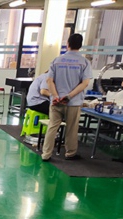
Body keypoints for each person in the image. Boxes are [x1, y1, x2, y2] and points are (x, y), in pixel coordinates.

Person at [41, 33, 92, 162]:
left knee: (52, 126)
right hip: (73, 102)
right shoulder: (84, 62)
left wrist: (55, 96)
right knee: (71, 128)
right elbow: (85, 83)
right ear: (80, 46)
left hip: (56, 102)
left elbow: (49, 80)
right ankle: (70, 153)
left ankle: (46, 154)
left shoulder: (56, 60)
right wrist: (68, 97)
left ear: (67, 44)